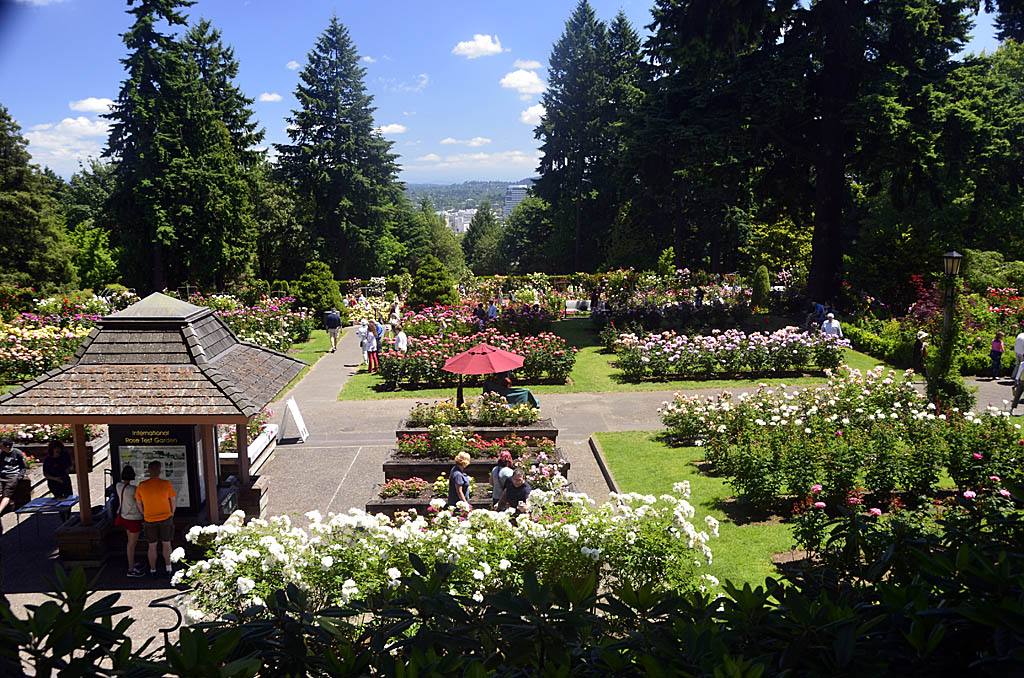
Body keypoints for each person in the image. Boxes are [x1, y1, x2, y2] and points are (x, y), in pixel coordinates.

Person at [135, 460, 176, 577]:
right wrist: (172, 513)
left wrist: (144, 513)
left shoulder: (142, 486)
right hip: (166, 516)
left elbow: (138, 503)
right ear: (159, 471)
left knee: (152, 545)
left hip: (149, 518)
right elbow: (172, 500)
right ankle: (168, 568)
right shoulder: (166, 484)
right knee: (166, 543)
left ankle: (153, 570)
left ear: (148, 471)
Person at [115, 465, 146, 577]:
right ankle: (131, 568)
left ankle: (132, 563)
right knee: (132, 544)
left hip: (124, 517)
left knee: (130, 542)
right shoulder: (133, 489)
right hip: (133, 518)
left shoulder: (119, 486)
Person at [0, 438, 27, 515]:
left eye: (1, 446)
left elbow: (23, 466)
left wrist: (19, 476)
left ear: (7, 446)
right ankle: (9, 504)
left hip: (12, 475)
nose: (0, 448)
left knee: (7, 494)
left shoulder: (17, 453)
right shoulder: (1, 453)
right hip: (2, 474)